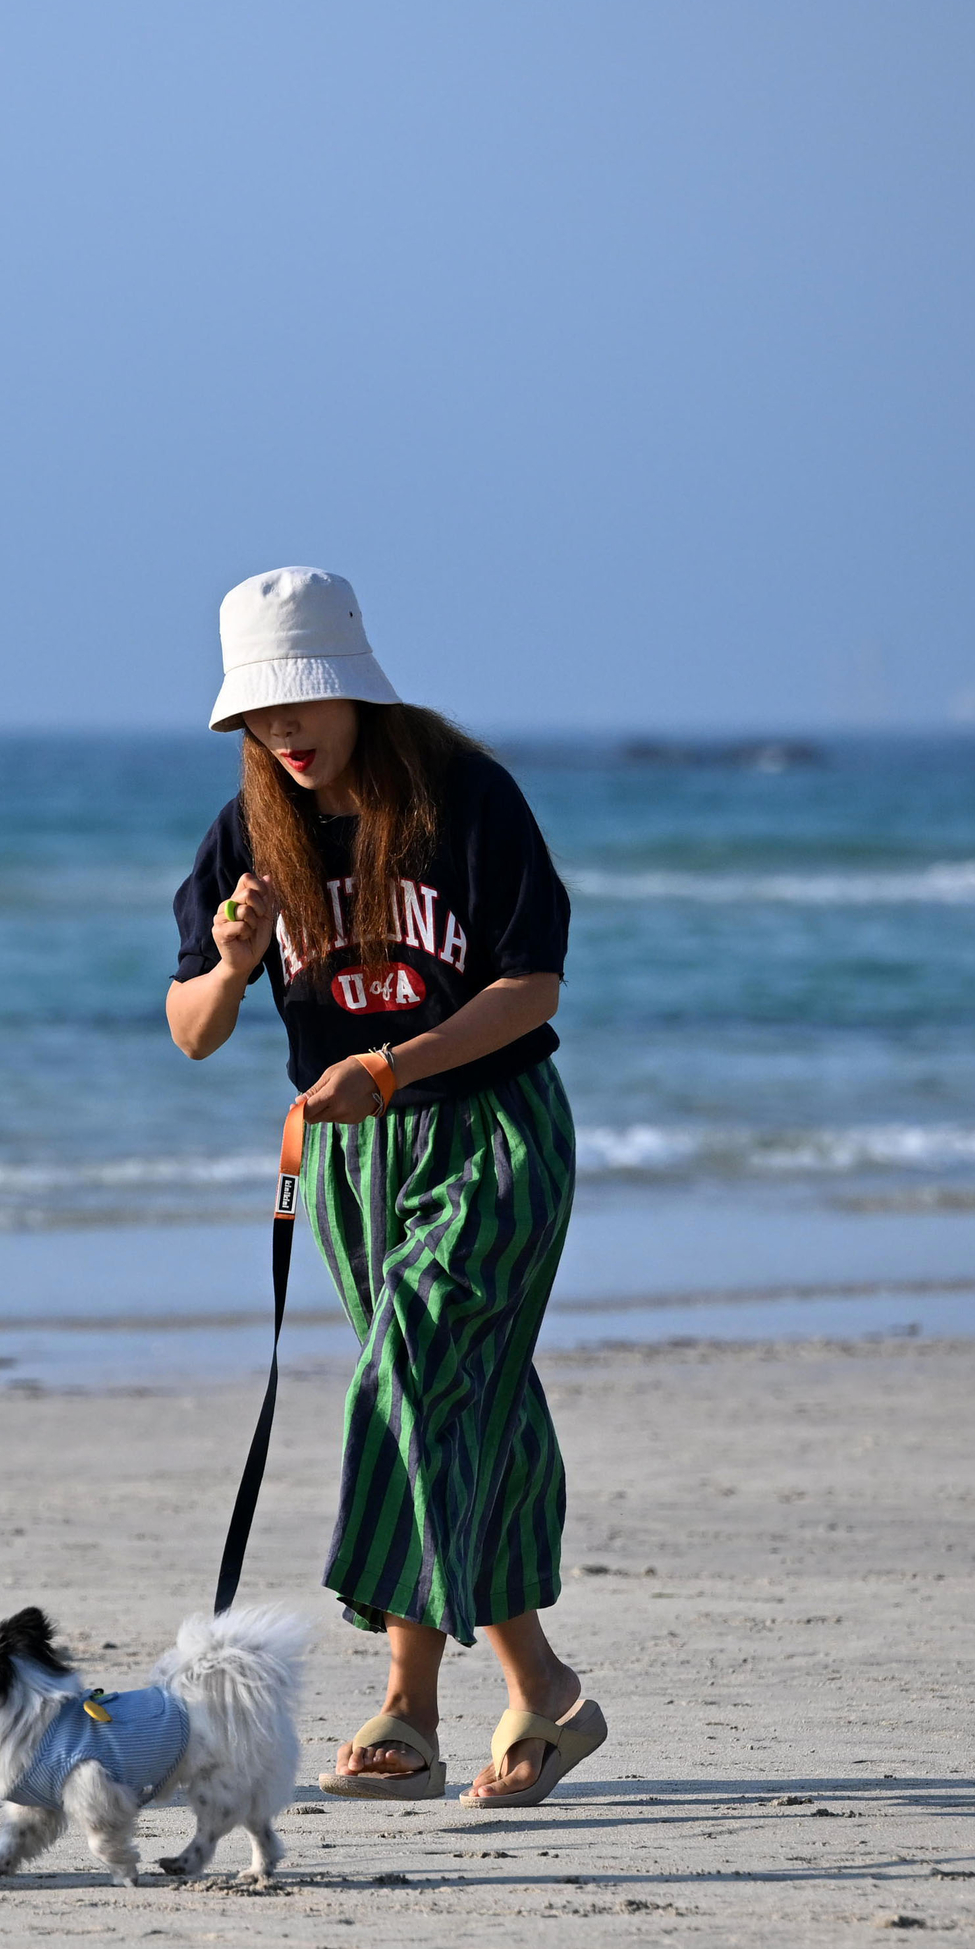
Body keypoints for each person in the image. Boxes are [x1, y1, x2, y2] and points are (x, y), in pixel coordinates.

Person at [165, 567, 605, 1807]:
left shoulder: (465, 800)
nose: (285, 731)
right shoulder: (251, 836)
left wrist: (390, 1064)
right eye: (259, 714)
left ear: (355, 687)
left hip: (492, 1132)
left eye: (303, 701)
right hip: (352, 1160)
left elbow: (530, 985)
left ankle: (412, 1701)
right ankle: (540, 1694)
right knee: (472, 1405)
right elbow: (191, 1029)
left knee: (410, 1368)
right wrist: (236, 964)